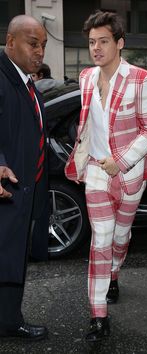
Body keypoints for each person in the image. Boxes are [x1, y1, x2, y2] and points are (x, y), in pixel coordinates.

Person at [65, 10, 147, 341]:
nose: (96, 48)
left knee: (121, 237)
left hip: (131, 173)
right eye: (92, 42)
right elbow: (88, 124)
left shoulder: (143, 79)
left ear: (119, 43)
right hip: (96, 171)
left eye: (103, 41)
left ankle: (115, 273)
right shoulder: (85, 78)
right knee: (101, 240)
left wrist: (119, 161)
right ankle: (98, 316)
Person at [0, 15, 49, 340]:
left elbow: (33, 133)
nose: (40, 52)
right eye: (33, 44)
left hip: (23, 192)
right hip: (6, 191)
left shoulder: (26, 83)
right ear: (11, 41)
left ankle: (8, 320)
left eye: (43, 45)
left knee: (12, 260)